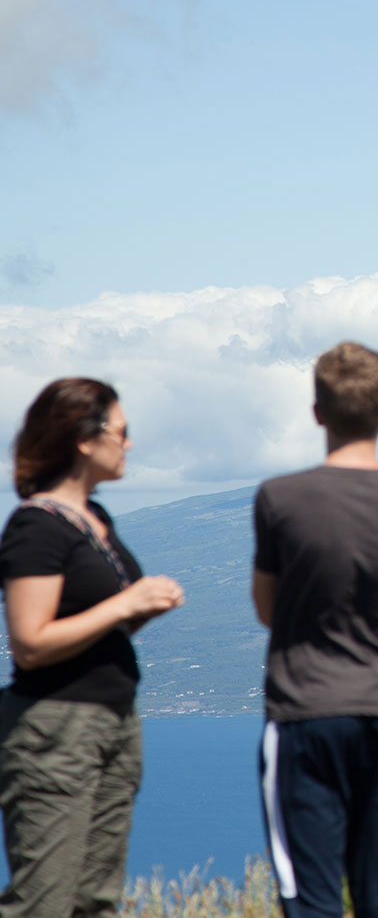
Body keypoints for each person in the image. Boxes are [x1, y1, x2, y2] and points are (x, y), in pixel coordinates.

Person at [252, 342, 378, 918]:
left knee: (310, 901)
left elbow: (267, 607)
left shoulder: (280, 498)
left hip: (306, 712)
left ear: (316, 412)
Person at [0, 378, 185, 917]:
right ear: (85, 439)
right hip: (54, 727)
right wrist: (125, 606)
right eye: (122, 433)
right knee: (44, 900)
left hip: (113, 721)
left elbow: (92, 627)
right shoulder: (37, 526)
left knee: (95, 900)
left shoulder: (96, 521)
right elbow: (31, 644)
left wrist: (138, 611)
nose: (129, 445)